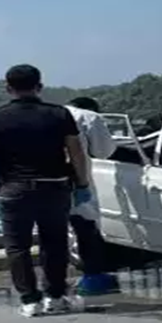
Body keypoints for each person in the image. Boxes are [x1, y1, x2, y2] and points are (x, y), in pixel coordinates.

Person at [0, 64, 92, 317]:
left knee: (17, 246)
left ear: (8, 88)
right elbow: (76, 152)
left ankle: (30, 300)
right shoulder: (59, 114)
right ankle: (55, 296)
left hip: (13, 188)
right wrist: (82, 183)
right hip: (54, 185)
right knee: (55, 243)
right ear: (39, 87)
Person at [65, 96, 120, 296]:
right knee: (86, 228)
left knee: (50, 234)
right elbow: (104, 151)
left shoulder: (45, 114)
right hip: (75, 181)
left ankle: (52, 285)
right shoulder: (89, 117)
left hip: (34, 184)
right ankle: (93, 279)